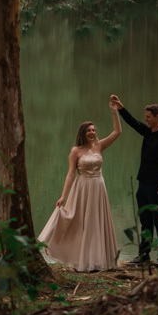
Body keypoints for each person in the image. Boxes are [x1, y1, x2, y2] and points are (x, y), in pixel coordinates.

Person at [37, 101, 122, 272]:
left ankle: (99, 261)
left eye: (94, 130)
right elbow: (70, 174)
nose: (92, 132)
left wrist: (114, 111)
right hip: (82, 188)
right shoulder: (75, 151)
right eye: (89, 130)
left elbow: (117, 132)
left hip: (98, 188)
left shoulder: (100, 146)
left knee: (97, 222)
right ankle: (81, 260)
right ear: (83, 133)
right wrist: (63, 196)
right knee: (81, 223)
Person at [110, 94, 158, 265]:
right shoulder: (148, 133)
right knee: (145, 222)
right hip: (142, 185)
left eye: (148, 117)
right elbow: (133, 123)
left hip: (156, 186)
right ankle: (144, 256)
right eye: (145, 117)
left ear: (157, 117)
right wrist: (121, 107)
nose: (145, 120)